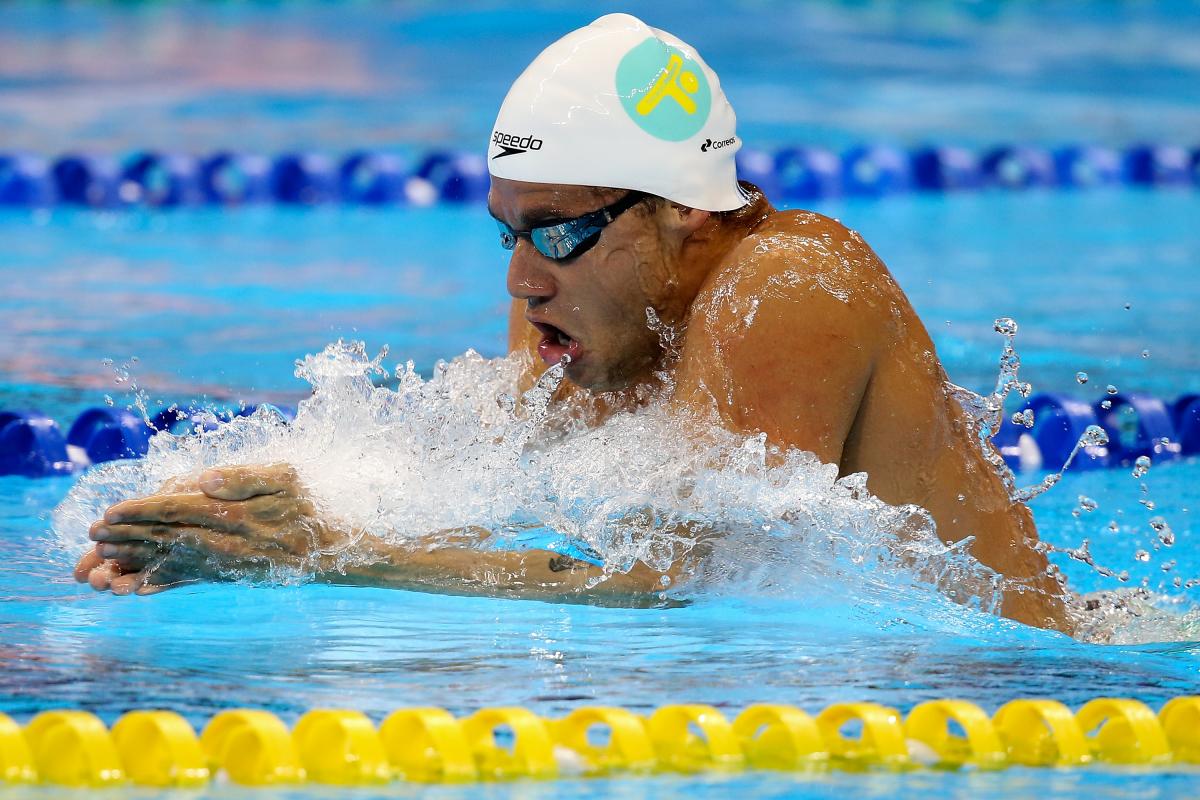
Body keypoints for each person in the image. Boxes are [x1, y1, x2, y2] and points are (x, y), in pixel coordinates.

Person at [73, 14, 1070, 632]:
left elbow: (684, 588)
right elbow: (491, 499)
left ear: (682, 211)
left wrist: (339, 551)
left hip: (1014, 698)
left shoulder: (792, 286)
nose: (520, 282)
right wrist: (230, 526)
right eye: (507, 235)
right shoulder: (587, 313)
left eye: (555, 234)